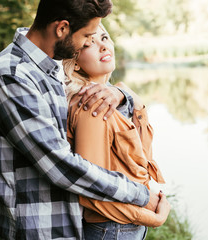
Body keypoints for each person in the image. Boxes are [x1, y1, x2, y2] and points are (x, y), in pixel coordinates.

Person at [0, 0, 162, 239]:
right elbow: (59, 164)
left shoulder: (46, 64)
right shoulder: (12, 76)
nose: (89, 43)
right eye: (87, 35)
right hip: (38, 227)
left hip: (68, 221)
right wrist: (142, 196)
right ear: (62, 28)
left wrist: (122, 93)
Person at [63, 24, 171, 240]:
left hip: (123, 224)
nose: (103, 46)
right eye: (89, 43)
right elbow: (91, 187)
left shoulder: (113, 98)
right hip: (113, 227)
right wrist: (152, 216)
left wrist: (129, 97)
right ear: (74, 62)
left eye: (104, 37)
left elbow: (142, 160)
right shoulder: (92, 104)